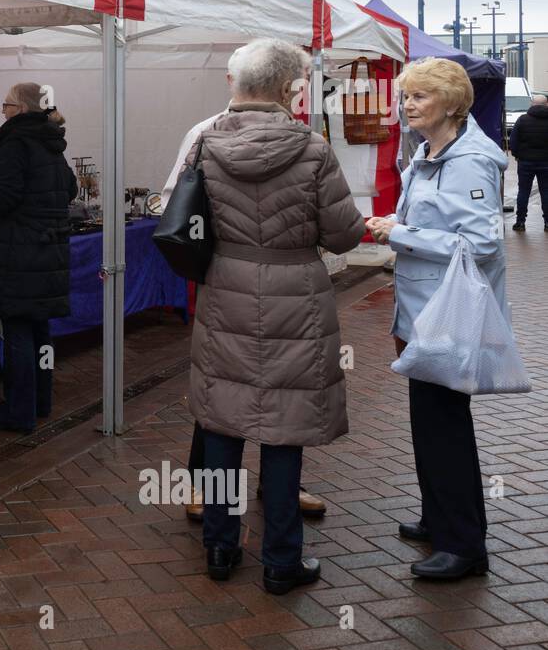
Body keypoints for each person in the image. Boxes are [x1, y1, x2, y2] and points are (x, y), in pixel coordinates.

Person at [178, 38, 365, 594]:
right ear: (289, 89)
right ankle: (283, 561)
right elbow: (344, 233)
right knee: (285, 429)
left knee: (222, 421)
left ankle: (220, 546)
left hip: (226, 289)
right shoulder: (312, 148)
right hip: (296, 295)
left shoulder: (205, 143)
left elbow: (183, 218)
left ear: (237, 84)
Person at [162, 48, 328, 523]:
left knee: (257, 388)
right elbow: (178, 208)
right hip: (241, 278)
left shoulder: (303, 139)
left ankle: (273, 491)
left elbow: (170, 210)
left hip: (262, 280)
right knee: (224, 390)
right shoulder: (206, 134)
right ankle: (208, 487)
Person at [365, 58, 508, 580]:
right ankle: (439, 517)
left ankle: (464, 545)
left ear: (451, 103)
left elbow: (482, 242)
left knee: (443, 423)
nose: (408, 105)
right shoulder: (429, 152)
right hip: (423, 310)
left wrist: (399, 234)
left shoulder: (468, 160)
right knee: (430, 420)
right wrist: (398, 224)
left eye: (420, 97)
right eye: (406, 97)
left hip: (447, 314)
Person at [0, 83, 77, 433]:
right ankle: (40, 401)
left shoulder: (15, 141)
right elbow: (69, 188)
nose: (3, 112)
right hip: (48, 251)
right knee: (40, 332)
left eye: (6, 104)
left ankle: (19, 411)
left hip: (19, 251)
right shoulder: (50, 142)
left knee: (17, 333)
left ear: (22, 108)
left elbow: (4, 199)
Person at [509, 94, 548, 232]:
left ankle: (520, 222)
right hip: (546, 163)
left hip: (525, 162)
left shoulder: (522, 120)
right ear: (546, 104)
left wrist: (517, 155)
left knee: (523, 192)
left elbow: (513, 141)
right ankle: (547, 223)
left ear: (532, 104)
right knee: (546, 192)